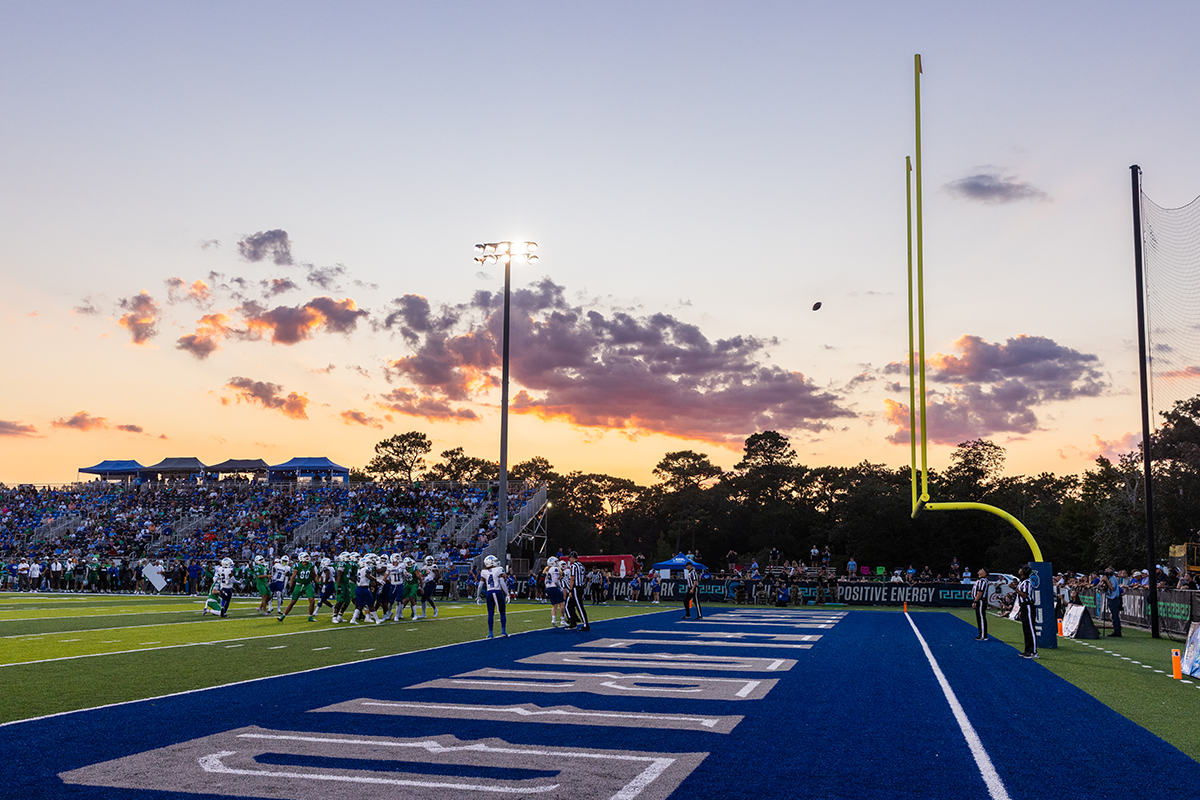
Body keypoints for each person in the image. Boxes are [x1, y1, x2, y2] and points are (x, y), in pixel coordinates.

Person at [477, 554, 511, 638]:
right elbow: (502, 583)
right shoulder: (498, 569)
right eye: (494, 561)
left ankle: (490, 633)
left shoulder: (484, 571)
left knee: (490, 613)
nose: (496, 562)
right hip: (498, 591)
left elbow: (480, 585)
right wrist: (507, 594)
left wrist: (478, 596)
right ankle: (503, 631)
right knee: (502, 612)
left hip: (489, 593)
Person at [278, 552, 318, 623]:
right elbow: (293, 577)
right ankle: (283, 616)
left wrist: (319, 582)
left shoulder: (311, 564)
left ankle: (310, 617)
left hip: (308, 584)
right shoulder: (297, 565)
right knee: (293, 601)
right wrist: (290, 586)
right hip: (299, 584)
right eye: (305, 557)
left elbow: (314, 575)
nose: (307, 558)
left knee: (312, 600)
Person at [1014, 566, 1037, 659]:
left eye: (1022, 569)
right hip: (1024, 606)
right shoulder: (1022, 582)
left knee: (1030, 629)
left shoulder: (1027, 582)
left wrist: (1014, 588)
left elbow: (1024, 595)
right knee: (1026, 629)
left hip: (1028, 606)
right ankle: (1027, 650)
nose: (1020, 569)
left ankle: (1034, 652)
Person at [564, 551, 590, 631]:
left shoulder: (574, 566)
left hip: (576, 588)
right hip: (580, 587)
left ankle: (586, 625)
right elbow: (585, 578)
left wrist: (570, 590)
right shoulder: (581, 566)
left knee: (579, 606)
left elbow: (572, 578)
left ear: (572, 558)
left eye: (570, 558)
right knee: (568, 605)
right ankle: (573, 622)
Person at [544, 556, 566, 627]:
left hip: (548, 588)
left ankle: (553, 619)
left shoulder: (547, 570)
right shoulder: (555, 569)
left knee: (554, 605)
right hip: (554, 587)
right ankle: (562, 620)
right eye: (556, 561)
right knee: (562, 604)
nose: (557, 563)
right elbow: (556, 580)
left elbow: (545, 581)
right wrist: (560, 587)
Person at [1100, 568, 1122, 637]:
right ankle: (1116, 630)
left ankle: (1117, 631)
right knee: (1113, 615)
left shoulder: (1113, 578)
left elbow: (1112, 588)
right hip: (1109, 598)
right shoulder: (1108, 578)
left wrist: (1106, 580)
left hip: (1114, 599)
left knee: (1115, 616)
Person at [971, 568, 990, 641]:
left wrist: (975, 601)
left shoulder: (982, 581)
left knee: (981, 618)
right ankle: (981, 634)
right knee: (979, 618)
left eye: (982, 570)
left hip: (981, 601)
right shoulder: (979, 580)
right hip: (979, 600)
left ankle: (983, 635)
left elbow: (980, 592)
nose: (980, 570)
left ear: (984, 573)